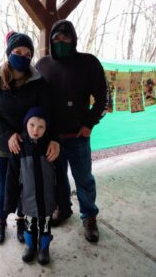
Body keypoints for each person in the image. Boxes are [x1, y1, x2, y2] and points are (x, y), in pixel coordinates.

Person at [0, 31, 59, 245]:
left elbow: (48, 113)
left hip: (32, 145)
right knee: (6, 184)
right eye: (17, 51)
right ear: (9, 52)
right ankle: (1, 220)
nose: (22, 56)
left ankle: (21, 220)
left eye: (27, 53)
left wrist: (54, 139)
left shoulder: (38, 81)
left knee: (28, 185)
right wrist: (7, 134)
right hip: (4, 145)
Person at [35, 19, 109, 242]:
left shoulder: (89, 63)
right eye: (57, 38)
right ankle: (63, 208)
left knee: (83, 178)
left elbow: (103, 97)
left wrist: (89, 124)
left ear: (73, 39)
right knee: (57, 179)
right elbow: (34, 98)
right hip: (51, 138)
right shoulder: (42, 65)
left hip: (78, 136)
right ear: (51, 40)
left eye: (66, 37)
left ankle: (89, 216)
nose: (61, 41)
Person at [4, 106, 56, 265]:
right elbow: (11, 177)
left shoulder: (51, 147)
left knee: (45, 226)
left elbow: (60, 175)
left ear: (46, 128)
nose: (36, 130)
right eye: (32, 125)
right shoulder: (19, 147)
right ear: (26, 124)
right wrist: (9, 202)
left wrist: (61, 199)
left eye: (41, 127)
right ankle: (30, 245)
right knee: (29, 225)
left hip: (47, 198)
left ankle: (44, 248)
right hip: (27, 198)